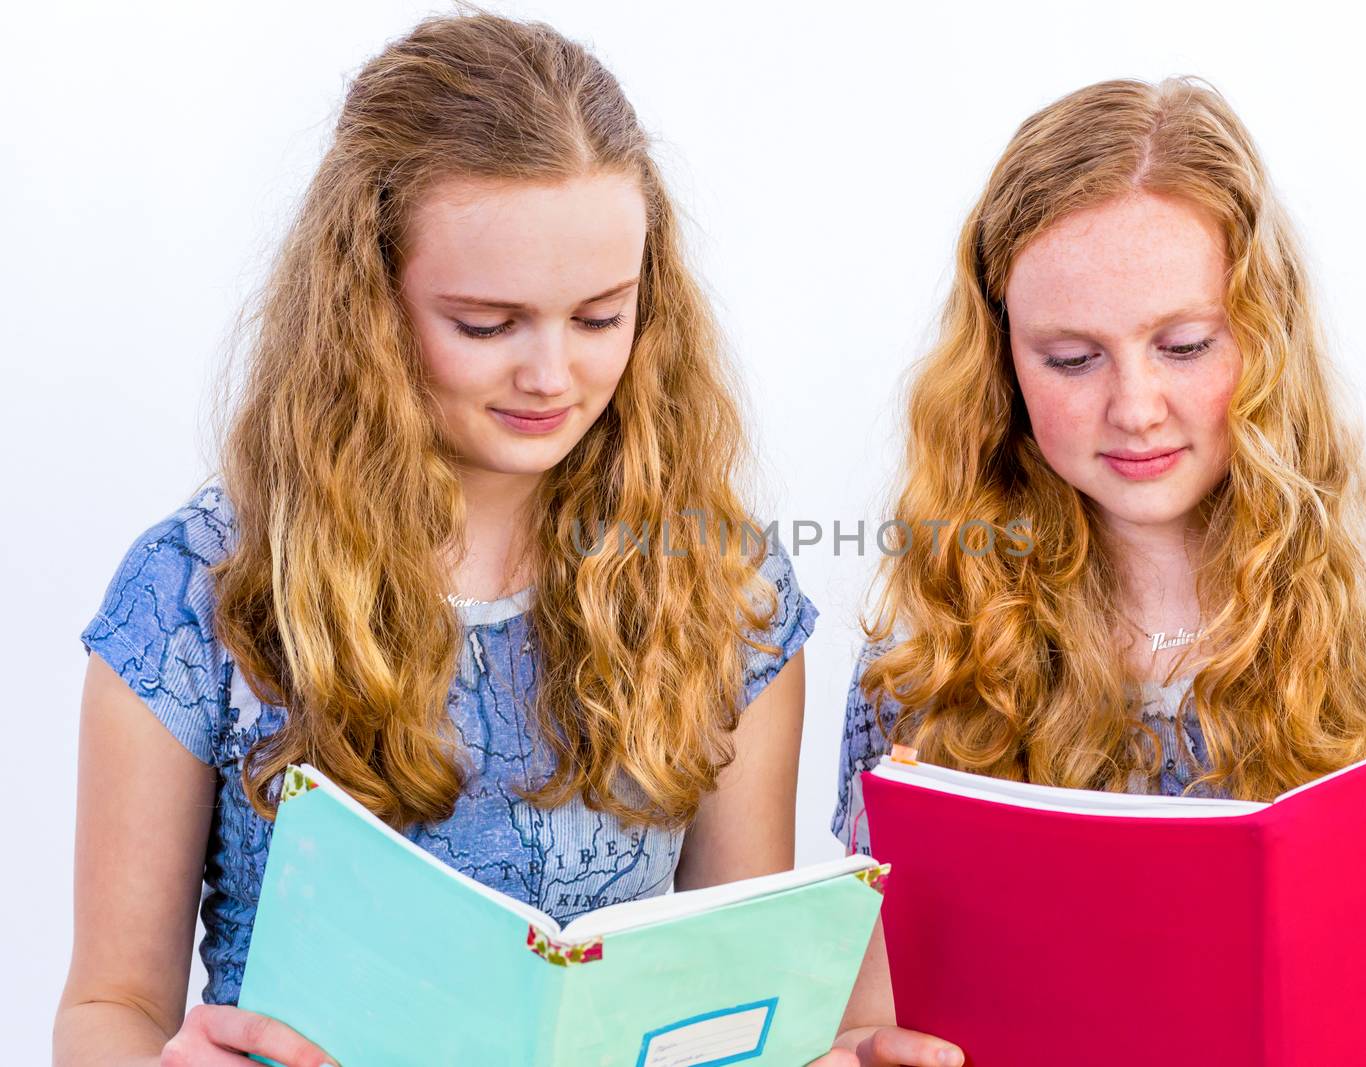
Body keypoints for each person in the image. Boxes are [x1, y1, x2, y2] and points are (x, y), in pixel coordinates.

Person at [54, 15, 819, 1066]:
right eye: (486, 323)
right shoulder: (200, 590)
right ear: (365, 303)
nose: (553, 376)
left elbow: (737, 997)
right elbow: (107, 1006)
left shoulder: (725, 586)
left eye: (600, 317)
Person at [825, 77, 1366, 1067]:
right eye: (1070, 358)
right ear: (1001, 366)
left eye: (1184, 345)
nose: (1135, 406)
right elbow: (869, 1019)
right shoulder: (932, 656)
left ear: (1263, 335)